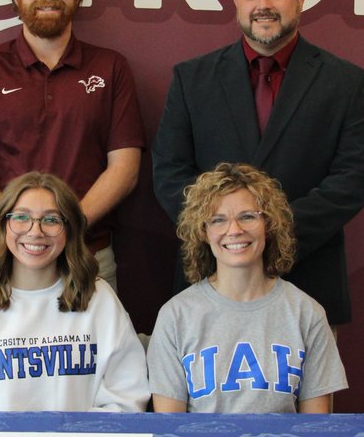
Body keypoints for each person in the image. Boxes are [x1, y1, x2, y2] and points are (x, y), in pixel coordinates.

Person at [153, 0, 364, 326]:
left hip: (308, 280)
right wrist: (227, 234)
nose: (263, 5)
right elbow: (169, 173)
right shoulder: (192, 80)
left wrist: (269, 232)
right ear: (236, 1)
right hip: (210, 283)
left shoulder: (344, 82)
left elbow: (353, 178)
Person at [0, 0, 145, 290]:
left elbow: (124, 170)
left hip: (86, 252)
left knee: (96, 348)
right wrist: (20, 230)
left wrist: (62, 228)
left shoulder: (111, 68)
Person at [0, 172, 149, 412]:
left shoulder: (100, 299)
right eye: (21, 217)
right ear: (3, 225)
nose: (35, 231)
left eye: (51, 220)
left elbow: (126, 397)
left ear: (69, 228)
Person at [147, 163, 345, 414]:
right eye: (218, 220)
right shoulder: (175, 316)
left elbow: (315, 429)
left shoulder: (307, 313)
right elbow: (169, 430)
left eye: (247, 216)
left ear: (269, 224)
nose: (234, 230)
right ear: (203, 233)